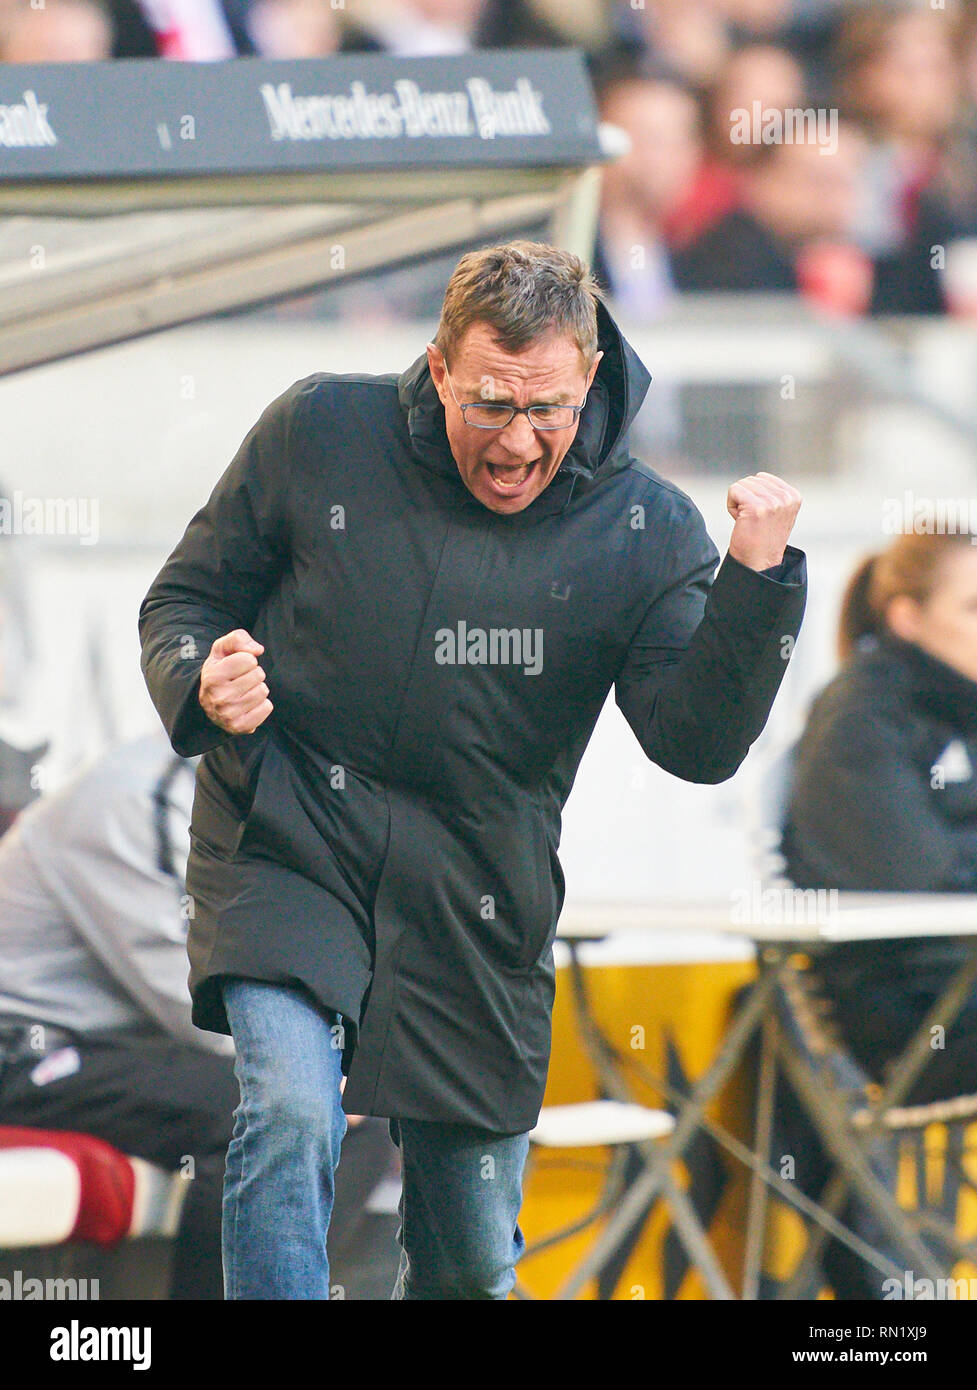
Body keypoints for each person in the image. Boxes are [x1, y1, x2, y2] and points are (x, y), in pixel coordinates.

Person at [139, 239, 807, 1301]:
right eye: (490, 403)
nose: (517, 439)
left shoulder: (645, 526)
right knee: (293, 1111)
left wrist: (755, 584)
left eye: (545, 408)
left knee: (467, 1262)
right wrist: (198, 677)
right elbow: (181, 603)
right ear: (439, 367)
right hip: (287, 839)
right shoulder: (319, 427)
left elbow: (696, 743)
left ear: (587, 377)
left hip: (477, 894)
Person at [778, 530, 977, 1296]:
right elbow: (914, 880)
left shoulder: (959, 707)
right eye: (971, 605)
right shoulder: (860, 720)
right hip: (909, 1023)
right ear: (904, 617)